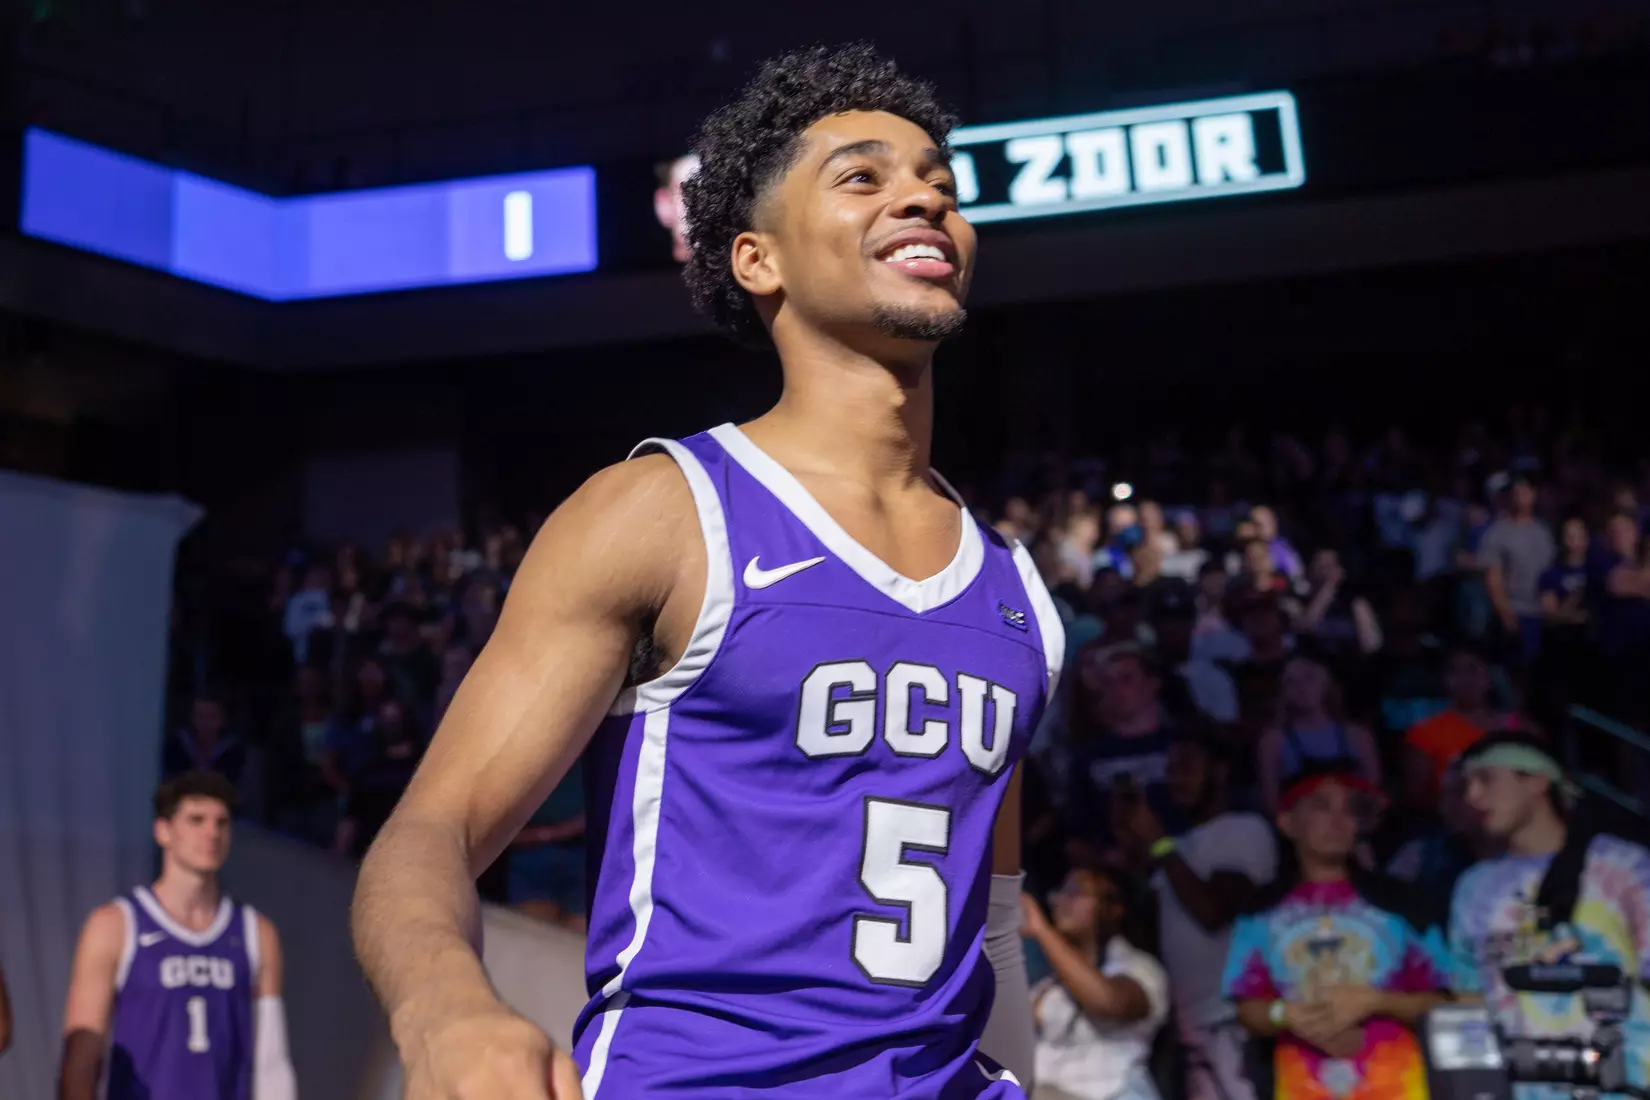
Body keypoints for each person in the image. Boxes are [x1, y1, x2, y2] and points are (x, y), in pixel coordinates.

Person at [349, 44, 1061, 1099]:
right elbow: (429, 833)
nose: (922, 197)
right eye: (864, 176)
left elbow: (991, 931)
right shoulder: (661, 513)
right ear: (757, 259)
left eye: (941, 186)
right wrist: (447, 1009)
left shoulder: (1016, 588)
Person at [59, 772, 296, 1100]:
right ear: (163, 831)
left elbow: (272, 1059)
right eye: (196, 820)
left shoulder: (256, 932)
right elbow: (80, 1060)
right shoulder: (115, 925)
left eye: (222, 822)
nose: (211, 832)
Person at [1223, 761, 1450, 1100]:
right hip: (1302, 1086)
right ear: (1287, 822)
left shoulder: (1402, 902)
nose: (1339, 819)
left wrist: (1376, 1002)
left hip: (1397, 1085)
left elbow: (1444, 1001)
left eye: (1349, 809)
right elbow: (1246, 1008)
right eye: (1321, 806)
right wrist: (1287, 1014)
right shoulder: (1260, 912)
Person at [1448, 733, 1650, 1100]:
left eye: (1486, 780)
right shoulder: (1472, 888)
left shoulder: (1625, 868)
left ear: (1537, 781)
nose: (1472, 797)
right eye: (1467, 785)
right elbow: (1468, 1003)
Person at [1137, 736, 1277, 1100]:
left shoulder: (1245, 829)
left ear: (1221, 771)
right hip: (1191, 1036)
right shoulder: (1177, 847)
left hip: (1235, 1025)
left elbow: (1212, 912)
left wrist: (1159, 844)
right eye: (1170, 770)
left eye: (1186, 766)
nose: (1175, 779)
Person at [1019, 868, 1169, 1100]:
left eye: (1077, 892)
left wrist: (1042, 930)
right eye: (1061, 892)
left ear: (1114, 908)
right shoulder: (1047, 986)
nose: (1063, 900)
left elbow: (1108, 1002)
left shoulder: (1140, 968)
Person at [1256, 655, 1382, 813]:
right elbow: (1271, 801)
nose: (1301, 687)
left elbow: (1374, 790)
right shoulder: (1272, 740)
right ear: (1283, 692)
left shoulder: (1357, 735)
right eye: (1291, 682)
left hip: (1352, 821)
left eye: (1309, 678)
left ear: (1326, 684)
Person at [1400, 642, 1517, 810]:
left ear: (1488, 678)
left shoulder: (1519, 728)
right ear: (1444, 680)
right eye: (1455, 671)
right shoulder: (1424, 734)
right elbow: (1417, 798)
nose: (1465, 679)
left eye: (1473, 669)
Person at [1479, 473, 1555, 665]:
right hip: (1516, 612)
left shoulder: (1544, 530)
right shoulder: (1497, 533)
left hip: (1545, 615)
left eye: (1525, 490)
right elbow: (1493, 578)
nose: (1521, 495)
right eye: (1517, 491)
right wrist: (1505, 614)